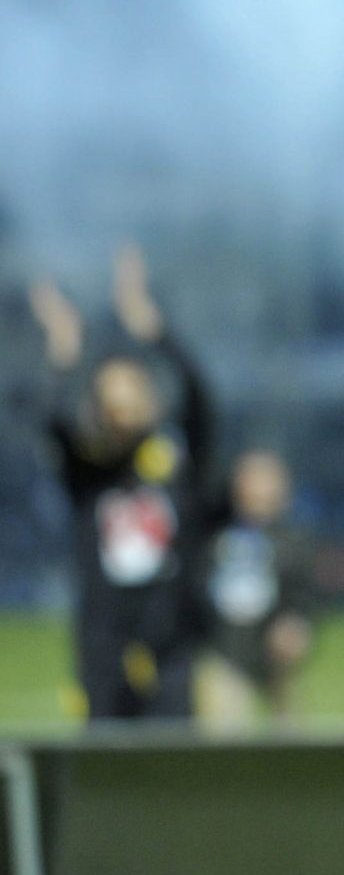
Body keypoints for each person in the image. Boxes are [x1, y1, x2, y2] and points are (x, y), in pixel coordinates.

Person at [29, 246, 218, 722]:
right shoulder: (90, 473)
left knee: (174, 757)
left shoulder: (177, 463)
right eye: (112, 398)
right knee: (104, 756)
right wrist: (64, 353)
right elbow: (51, 423)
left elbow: (199, 397)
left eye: (132, 393)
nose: (123, 408)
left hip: (169, 641)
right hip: (104, 643)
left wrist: (155, 331)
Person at [198, 448, 321, 730]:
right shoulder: (214, 534)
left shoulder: (294, 539)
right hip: (225, 649)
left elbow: (305, 593)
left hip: (274, 652)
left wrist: (297, 623)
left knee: (289, 728)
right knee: (224, 726)